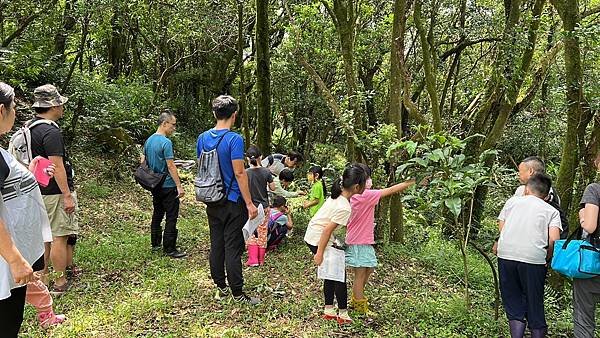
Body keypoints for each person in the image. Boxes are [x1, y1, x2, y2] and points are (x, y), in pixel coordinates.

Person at [197, 95, 259, 305]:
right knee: (233, 246)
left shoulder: (202, 138)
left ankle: (220, 285)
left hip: (211, 198)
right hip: (232, 201)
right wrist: (249, 203)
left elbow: (203, 167)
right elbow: (240, 173)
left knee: (217, 243)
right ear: (234, 115)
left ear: (215, 114)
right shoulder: (234, 139)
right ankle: (238, 292)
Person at [0, 82, 45, 336]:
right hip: (5, 262)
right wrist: (16, 260)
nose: (16, 112)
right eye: (13, 106)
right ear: (0, 111)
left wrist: (28, 174)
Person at [497, 173, 561, 338]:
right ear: (547, 196)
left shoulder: (512, 202)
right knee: (535, 304)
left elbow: (502, 226)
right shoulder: (551, 210)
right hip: (533, 259)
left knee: (513, 303)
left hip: (506, 255)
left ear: (526, 189)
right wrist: (547, 257)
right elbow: (554, 239)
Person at [28, 84, 78, 295]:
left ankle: (43, 279)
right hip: (55, 191)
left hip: (37, 189)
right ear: (53, 105)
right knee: (59, 235)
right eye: (60, 104)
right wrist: (67, 195)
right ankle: (60, 282)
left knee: (44, 236)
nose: (62, 108)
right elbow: (56, 165)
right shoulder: (50, 131)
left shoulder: (29, 128)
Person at [346, 164, 415, 315]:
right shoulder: (365, 196)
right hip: (359, 241)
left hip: (360, 240)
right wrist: (412, 181)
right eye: (368, 177)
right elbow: (390, 190)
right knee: (360, 274)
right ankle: (359, 306)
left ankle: (357, 297)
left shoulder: (354, 195)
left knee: (368, 269)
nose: (370, 180)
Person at [304, 165, 367, 325]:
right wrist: (319, 254)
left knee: (331, 274)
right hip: (318, 239)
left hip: (314, 235)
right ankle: (343, 314)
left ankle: (329, 309)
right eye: (365, 183)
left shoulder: (338, 195)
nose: (367, 185)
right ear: (356, 187)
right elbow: (326, 231)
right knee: (339, 276)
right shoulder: (344, 207)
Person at [142, 110, 186, 259]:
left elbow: (143, 161)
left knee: (157, 214)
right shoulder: (166, 142)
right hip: (168, 185)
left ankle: (155, 244)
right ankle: (170, 248)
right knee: (171, 216)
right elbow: (170, 166)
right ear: (164, 123)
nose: (174, 128)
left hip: (155, 184)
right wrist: (179, 185)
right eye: (173, 125)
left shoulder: (149, 141)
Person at [574, 152, 600, 338]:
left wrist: (582, 216)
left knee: (584, 315)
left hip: (593, 262)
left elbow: (590, 227)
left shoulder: (595, 190)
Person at [514, 156, 568, 238]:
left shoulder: (521, 191)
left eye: (520, 171)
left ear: (530, 171)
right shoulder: (553, 194)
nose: (518, 174)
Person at [244, 145, 275, 267]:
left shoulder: (245, 173)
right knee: (262, 232)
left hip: (251, 206)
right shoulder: (266, 171)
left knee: (251, 231)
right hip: (265, 207)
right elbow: (273, 187)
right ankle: (261, 259)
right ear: (260, 157)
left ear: (247, 159)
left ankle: (253, 259)